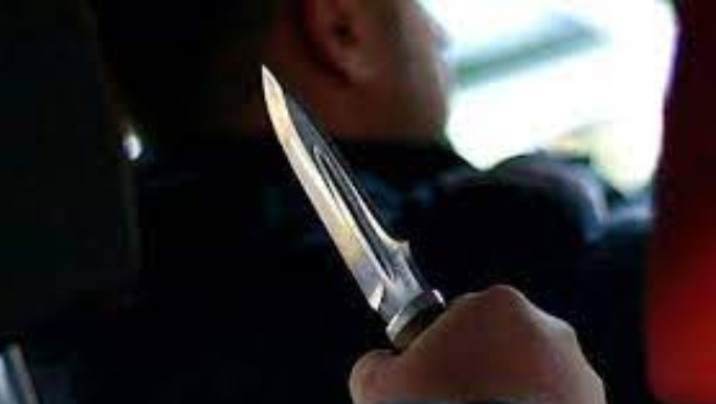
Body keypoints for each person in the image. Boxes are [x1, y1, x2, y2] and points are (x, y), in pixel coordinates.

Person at [57, 0, 608, 403]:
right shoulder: (488, 241)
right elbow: (527, 221)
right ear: (341, 28)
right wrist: (560, 183)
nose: (440, 33)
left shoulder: (82, 295)